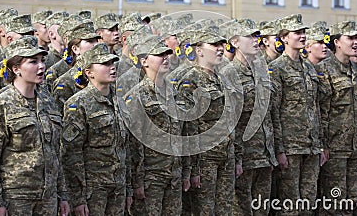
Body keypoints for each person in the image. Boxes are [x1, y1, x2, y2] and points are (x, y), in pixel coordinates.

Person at [0, 36, 70, 216]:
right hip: (16, 198)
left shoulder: (47, 101)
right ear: (16, 69)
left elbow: (55, 152)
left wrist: (63, 194)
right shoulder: (2, 105)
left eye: (42, 60)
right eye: (33, 62)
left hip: (48, 198)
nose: (41, 66)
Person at [61, 43, 132, 216]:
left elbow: (126, 147)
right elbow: (71, 154)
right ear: (89, 72)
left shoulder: (119, 100)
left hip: (118, 186)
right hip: (94, 189)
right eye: (104, 64)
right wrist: (78, 198)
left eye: (112, 63)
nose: (112, 68)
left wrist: (129, 187)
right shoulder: (78, 104)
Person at [124, 35, 190, 216]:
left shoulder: (174, 92)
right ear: (144, 61)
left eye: (167, 54)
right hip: (151, 177)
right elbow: (133, 143)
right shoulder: (137, 96)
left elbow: (183, 135)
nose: (166, 58)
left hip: (174, 174)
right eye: (160, 55)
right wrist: (136, 182)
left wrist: (185, 172)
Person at [316, 20, 357, 215]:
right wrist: (323, 146)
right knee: (334, 204)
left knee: (352, 202)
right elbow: (321, 112)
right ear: (337, 42)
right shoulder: (324, 70)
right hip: (335, 149)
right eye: (350, 38)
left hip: (355, 148)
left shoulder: (356, 72)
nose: (356, 42)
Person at [177, 27, 236, 216]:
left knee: (225, 209)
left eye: (221, 45)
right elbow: (188, 128)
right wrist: (192, 168)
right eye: (214, 45)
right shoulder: (190, 80)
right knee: (204, 210)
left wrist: (236, 156)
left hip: (226, 155)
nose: (220, 49)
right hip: (204, 159)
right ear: (199, 50)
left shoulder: (223, 79)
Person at [222, 20, 277, 215]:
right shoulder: (228, 73)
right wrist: (236, 159)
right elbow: (230, 123)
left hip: (264, 154)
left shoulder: (262, 72)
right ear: (235, 42)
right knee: (242, 210)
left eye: (257, 36)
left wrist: (273, 151)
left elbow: (270, 114)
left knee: (262, 209)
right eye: (250, 37)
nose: (256, 41)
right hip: (244, 156)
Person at [268, 14, 322, 215]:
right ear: (284, 38)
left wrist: (320, 143)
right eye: (297, 32)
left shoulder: (309, 67)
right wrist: (279, 149)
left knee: (308, 203)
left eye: (303, 32)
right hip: (290, 146)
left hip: (311, 145)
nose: (302, 36)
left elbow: (315, 107)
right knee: (290, 205)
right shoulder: (276, 68)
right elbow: (274, 110)